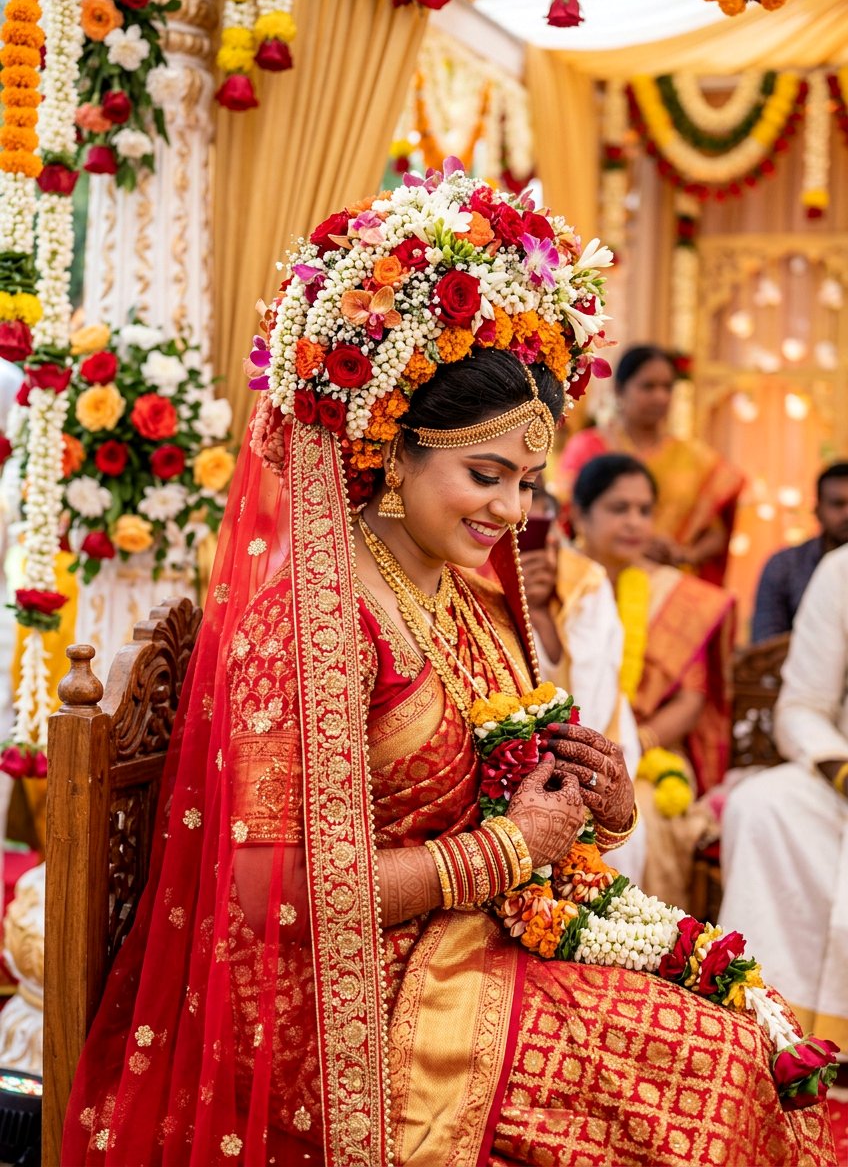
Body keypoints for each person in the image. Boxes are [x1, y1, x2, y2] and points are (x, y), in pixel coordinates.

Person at [63, 171, 833, 1166]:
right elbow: (265, 896)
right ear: (391, 450)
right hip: (344, 999)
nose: (512, 512)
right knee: (711, 1069)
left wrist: (594, 800)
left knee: (733, 1033)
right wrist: (509, 850)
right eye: (484, 475)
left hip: (463, 938)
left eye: (523, 481)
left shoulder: (452, 587)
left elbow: (510, 786)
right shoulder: (304, 627)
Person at [570, 453, 735, 910]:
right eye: (618, 508)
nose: (634, 522)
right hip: (563, 747)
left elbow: (693, 697)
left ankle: (640, 944)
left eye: (644, 511)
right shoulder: (557, 584)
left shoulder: (678, 593)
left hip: (649, 754)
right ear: (580, 513)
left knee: (639, 825)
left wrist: (633, 743)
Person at [720, 541, 848, 1055]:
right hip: (840, 782)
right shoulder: (841, 572)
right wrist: (839, 770)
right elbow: (801, 707)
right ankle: (765, 1030)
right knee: (761, 806)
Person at [520, 487, 647, 885]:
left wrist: (537, 612)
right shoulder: (459, 567)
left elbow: (585, 705)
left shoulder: (585, 583)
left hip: (574, 753)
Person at [555, 344, 744, 584]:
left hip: (670, 583)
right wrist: (633, 544)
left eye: (667, 387)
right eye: (648, 387)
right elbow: (567, 515)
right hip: (599, 579)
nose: (660, 397)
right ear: (620, 389)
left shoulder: (695, 458)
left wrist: (685, 554)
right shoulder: (587, 447)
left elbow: (716, 532)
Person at [751, 460, 848, 641]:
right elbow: (765, 645)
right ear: (817, 510)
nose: (847, 514)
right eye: (838, 504)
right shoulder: (783, 566)